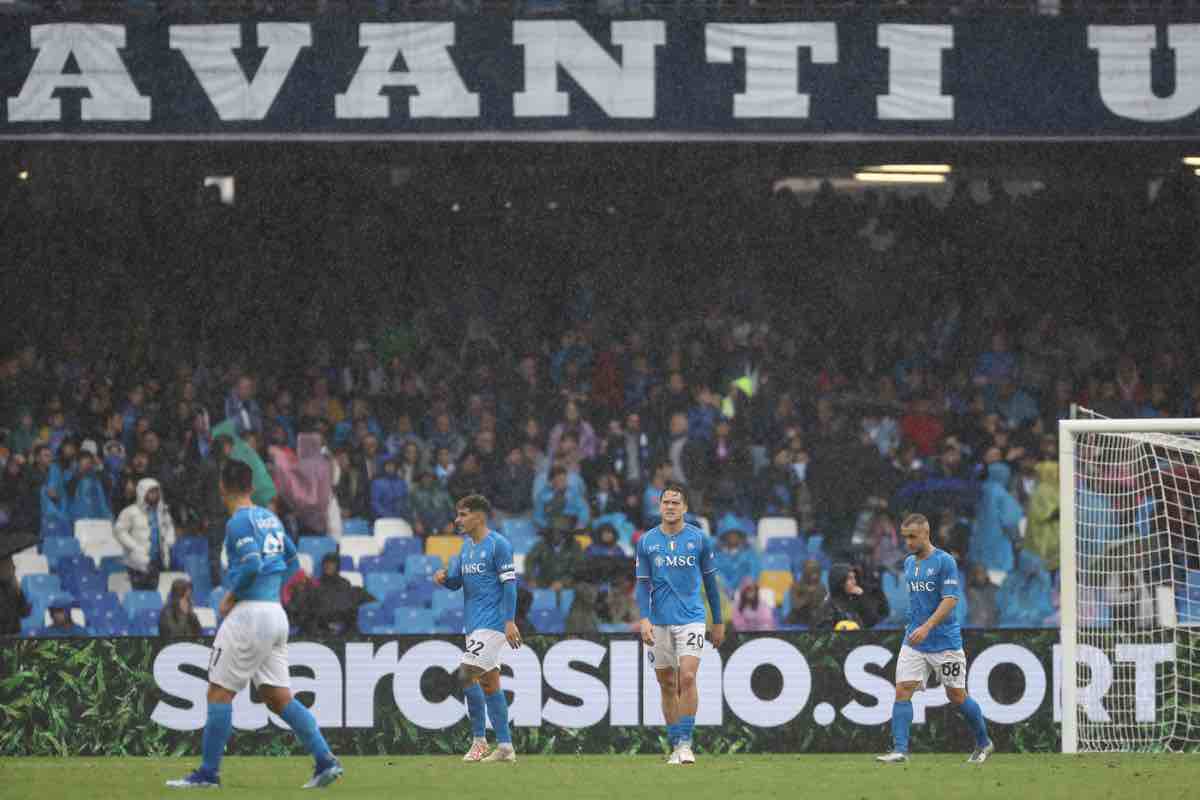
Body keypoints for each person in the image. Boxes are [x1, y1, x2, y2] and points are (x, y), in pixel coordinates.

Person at [167, 459, 342, 789]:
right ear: (250, 485)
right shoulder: (270, 518)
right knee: (279, 698)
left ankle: (208, 774)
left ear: (223, 486)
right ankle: (324, 761)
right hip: (275, 613)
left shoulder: (238, 522)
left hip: (250, 613)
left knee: (218, 692)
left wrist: (231, 596)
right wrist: (273, 591)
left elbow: (250, 565)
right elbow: (292, 562)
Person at [877, 513, 992, 765]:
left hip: (945, 643)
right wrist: (915, 624)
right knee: (902, 690)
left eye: (912, 537)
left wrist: (928, 626)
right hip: (915, 641)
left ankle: (984, 742)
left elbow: (950, 599)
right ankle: (900, 750)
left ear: (926, 534)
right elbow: (918, 601)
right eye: (905, 536)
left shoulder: (944, 562)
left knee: (957, 696)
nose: (907, 542)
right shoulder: (909, 564)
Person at [636, 482, 725, 766]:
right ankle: (675, 744)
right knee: (666, 682)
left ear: (685, 507)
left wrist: (718, 621)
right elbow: (642, 585)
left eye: (676, 502)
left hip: (692, 618)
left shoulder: (699, 539)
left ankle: (686, 743)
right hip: (659, 620)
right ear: (660, 506)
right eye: (666, 502)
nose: (671, 507)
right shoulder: (647, 541)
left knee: (686, 677)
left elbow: (711, 584)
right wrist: (644, 618)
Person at [433, 494, 519, 764]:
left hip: (492, 623)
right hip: (472, 623)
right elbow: (457, 582)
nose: (458, 520)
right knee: (490, 682)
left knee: (465, 674)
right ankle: (505, 746)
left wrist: (509, 621)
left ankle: (479, 741)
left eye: (463, 514)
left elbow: (510, 585)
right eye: (457, 514)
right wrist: (444, 579)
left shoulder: (498, 545)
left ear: (479, 516)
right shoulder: (465, 547)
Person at [114, 478, 177, 591]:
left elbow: (169, 526)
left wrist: (169, 539)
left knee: (154, 590)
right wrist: (134, 546)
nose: (155, 495)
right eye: (151, 492)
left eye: (157, 492)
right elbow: (119, 531)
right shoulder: (130, 511)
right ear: (142, 493)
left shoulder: (162, 511)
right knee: (139, 590)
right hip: (137, 561)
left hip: (157, 560)